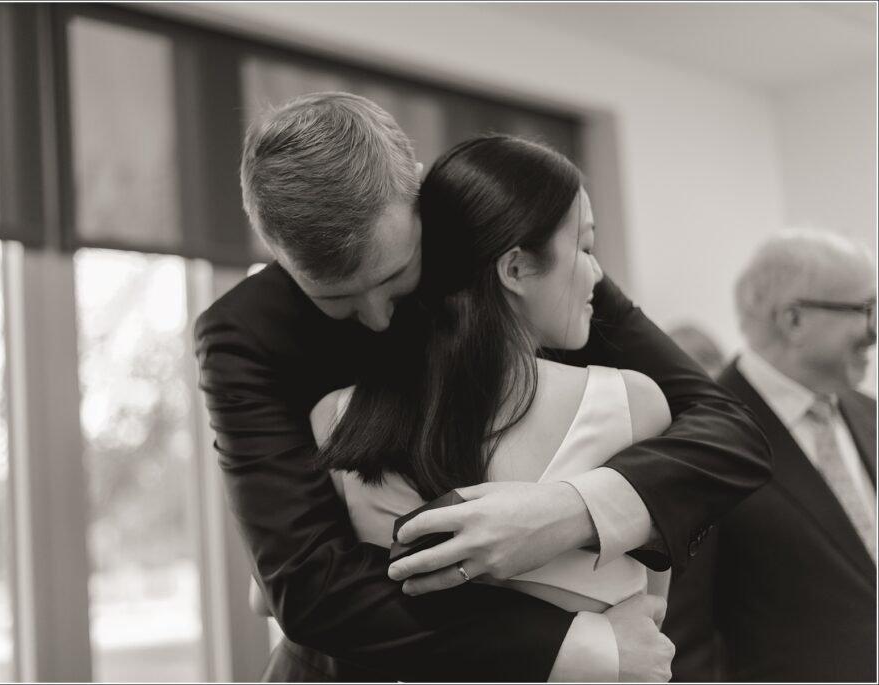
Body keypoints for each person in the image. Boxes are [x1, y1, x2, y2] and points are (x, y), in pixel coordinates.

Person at [195, 91, 771, 681]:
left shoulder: (495, 224)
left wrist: (571, 510)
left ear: (418, 193)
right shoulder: (242, 338)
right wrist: (581, 646)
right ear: (277, 255)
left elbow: (730, 431)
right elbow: (308, 591)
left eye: (395, 277)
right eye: (335, 298)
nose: (378, 319)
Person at [311, 133, 675, 631]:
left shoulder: (339, 418)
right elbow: (652, 622)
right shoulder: (632, 405)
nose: (596, 275)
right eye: (585, 247)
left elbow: (301, 601)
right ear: (516, 267)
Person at [663, 229, 877, 682]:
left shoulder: (868, 413)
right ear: (794, 320)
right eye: (864, 310)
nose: (874, 331)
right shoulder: (698, 436)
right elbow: (685, 639)